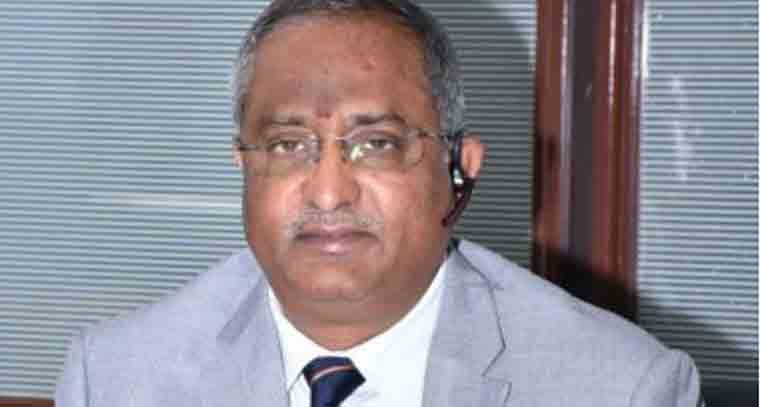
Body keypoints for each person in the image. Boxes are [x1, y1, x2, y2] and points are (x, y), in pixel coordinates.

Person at [56, 0, 702, 406]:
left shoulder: (620, 387)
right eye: (287, 145)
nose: (328, 191)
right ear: (243, 164)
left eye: (377, 144)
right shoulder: (113, 378)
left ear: (460, 170)